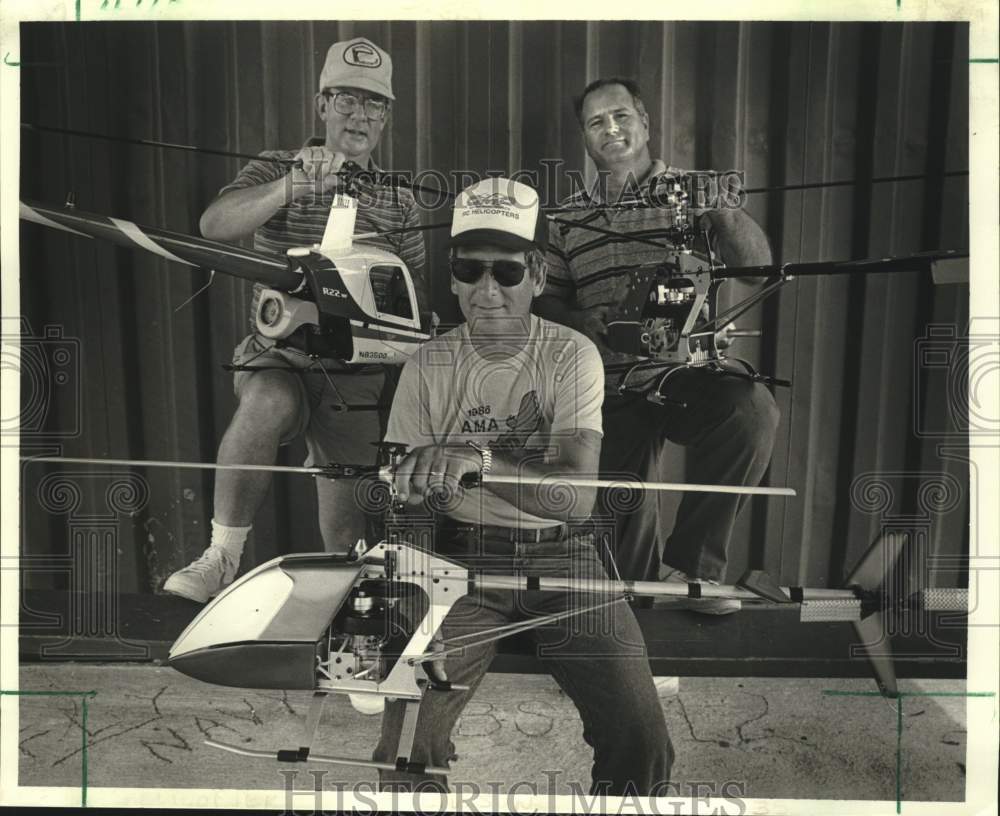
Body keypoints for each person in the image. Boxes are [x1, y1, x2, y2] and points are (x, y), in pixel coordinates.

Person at [371, 177, 673, 795]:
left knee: (642, 742)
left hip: (565, 561)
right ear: (452, 276)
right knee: (402, 752)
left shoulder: (571, 355)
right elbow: (405, 500)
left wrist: (475, 459)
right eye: (470, 270)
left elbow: (573, 497)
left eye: (506, 272)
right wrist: (410, 587)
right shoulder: (425, 363)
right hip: (457, 561)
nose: (486, 290)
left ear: (536, 275)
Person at [164, 37, 427, 603]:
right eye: (348, 100)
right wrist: (292, 186)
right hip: (279, 353)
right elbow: (214, 226)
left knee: (344, 537)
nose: (361, 115)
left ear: (387, 116)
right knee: (267, 402)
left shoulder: (403, 200)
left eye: (375, 104)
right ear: (322, 105)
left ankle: (343, 625)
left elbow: (413, 302)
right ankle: (220, 558)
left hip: (356, 371)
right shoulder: (274, 166)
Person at [533, 77, 780, 614]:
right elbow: (546, 301)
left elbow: (758, 271)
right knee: (623, 551)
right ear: (586, 137)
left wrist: (723, 211)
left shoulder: (694, 191)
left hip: (685, 373)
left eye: (621, 116)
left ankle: (695, 569)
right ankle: (638, 626)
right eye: (597, 122)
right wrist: (578, 317)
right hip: (607, 386)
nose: (611, 129)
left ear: (645, 123)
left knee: (749, 410)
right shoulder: (566, 217)